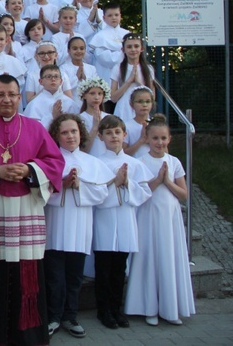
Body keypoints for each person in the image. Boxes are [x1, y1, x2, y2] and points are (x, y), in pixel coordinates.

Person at [0, 74, 65, 345]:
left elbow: (54, 162)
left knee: (24, 271)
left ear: (20, 97)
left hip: (24, 208)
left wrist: (30, 169)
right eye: (0, 95)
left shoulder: (35, 128)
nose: (6, 100)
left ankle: (27, 335)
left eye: (12, 95)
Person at [124, 114, 195, 326]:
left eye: (163, 138)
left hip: (170, 217)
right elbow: (140, 193)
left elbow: (183, 195)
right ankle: (149, 307)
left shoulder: (174, 162)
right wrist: (157, 180)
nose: (159, 142)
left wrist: (167, 181)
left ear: (169, 139)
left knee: (168, 257)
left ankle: (170, 307)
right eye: (155, 138)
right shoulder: (140, 162)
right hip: (148, 216)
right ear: (147, 138)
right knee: (150, 257)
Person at [44, 114, 110, 338]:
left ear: (80, 133)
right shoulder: (50, 160)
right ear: (56, 136)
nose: (70, 136)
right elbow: (40, 193)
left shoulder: (92, 162)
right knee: (54, 277)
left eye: (73, 131)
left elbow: (102, 193)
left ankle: (70, 316)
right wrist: (62, 185)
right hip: (55, 226)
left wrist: (79, 186)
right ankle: (52, 317)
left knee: (74, 277)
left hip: (81, 226)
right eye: (64, 132)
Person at [94, 115, 152, 329]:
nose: (113, 136)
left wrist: (127, 183)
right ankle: (104, 311)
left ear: (125, 134)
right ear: (100, 136)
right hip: (105, 221)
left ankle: (116, 309)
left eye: (117, 132)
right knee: (104, 268)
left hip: (126, 219)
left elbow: (145, 192)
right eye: (108, 133)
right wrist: (113, 184)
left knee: (120, 268)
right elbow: (94, 194)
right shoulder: (97, 164)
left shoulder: (134, 164)